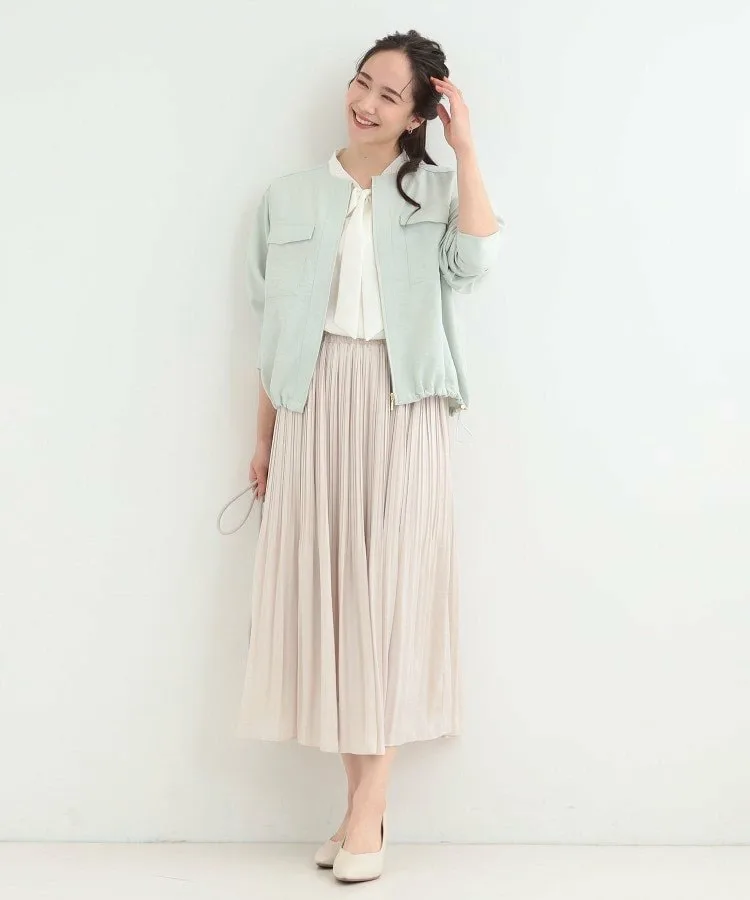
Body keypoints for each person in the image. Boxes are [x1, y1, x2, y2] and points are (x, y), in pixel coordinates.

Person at [235, 28, 504, 883]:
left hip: (403, 401)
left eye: (390, 95)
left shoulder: (436, 190)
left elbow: (475, 264)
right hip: (312, 406)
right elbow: (272, 327)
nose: (366, 103)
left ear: (418, 113)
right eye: (362, 84)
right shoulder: (287, 197)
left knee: (387, 603)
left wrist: (466, 150)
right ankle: (363, 815)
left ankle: (365, 812)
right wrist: (264, 435)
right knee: (340, 605)